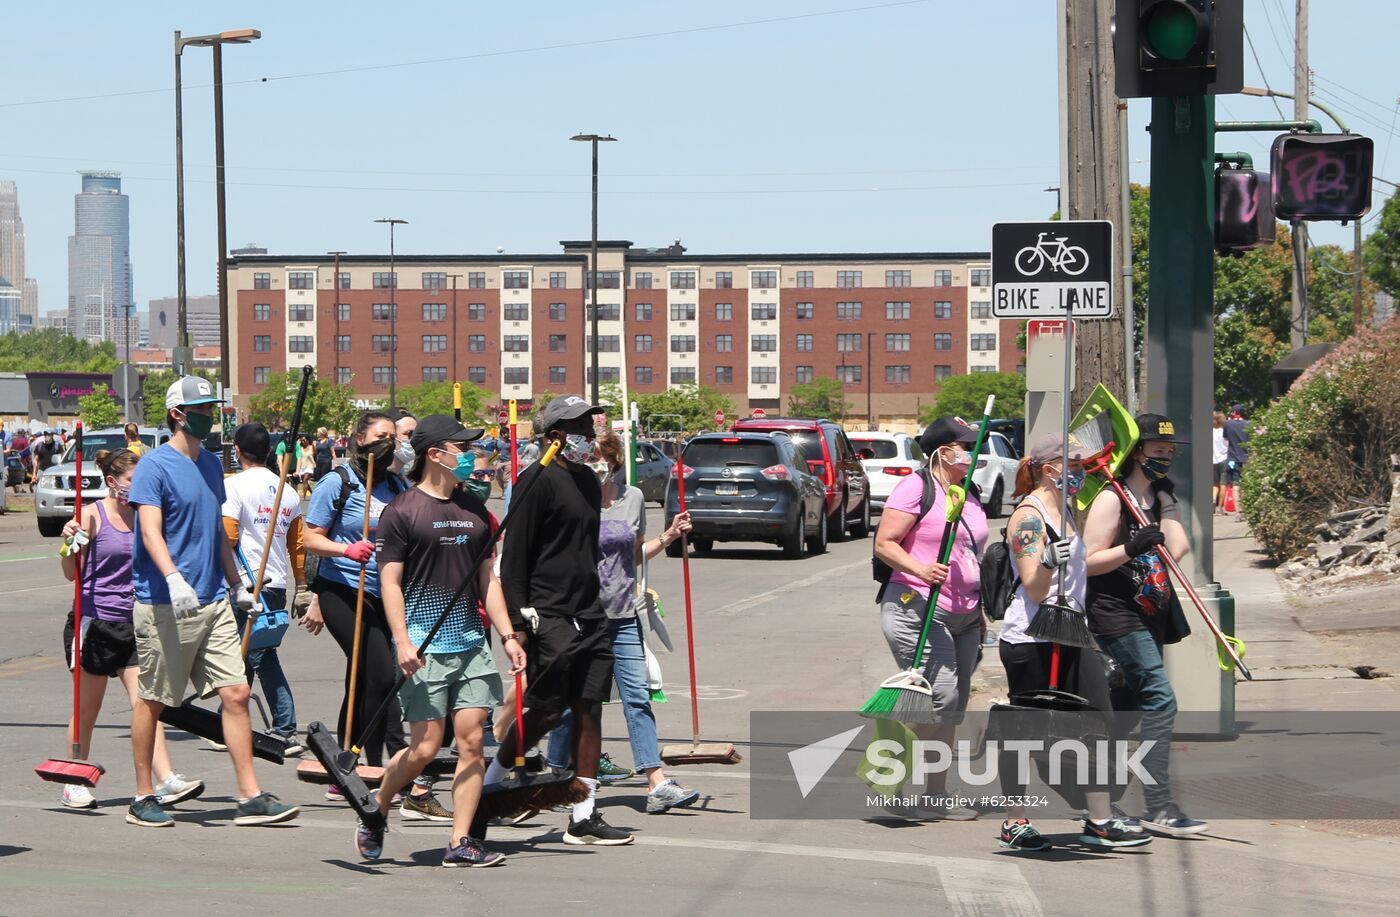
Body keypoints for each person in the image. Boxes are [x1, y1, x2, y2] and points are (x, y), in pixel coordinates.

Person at [125, 376, 298, 828]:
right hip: (166, 603)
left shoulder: (210, 466)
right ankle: (143, 795)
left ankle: (250, 795)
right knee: (154, 699)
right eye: (201, 407)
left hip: (214, 600)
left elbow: (220, 534)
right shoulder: (154, 467)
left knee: (237, 693)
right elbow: (149, 531)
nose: (211, 414)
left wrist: (236, 583)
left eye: (213, 406)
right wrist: (173, 578)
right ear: (177, 414)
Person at [354, 415, 527, 866]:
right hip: (424, 648)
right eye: (461, 447)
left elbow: (488, 580)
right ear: (436, 454)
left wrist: (507, 635)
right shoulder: (402, 512)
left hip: (471, 644)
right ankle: (378, 807)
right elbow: (389, 583)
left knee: (471, 742)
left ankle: (460, 841)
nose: (470, 456)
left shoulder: (475, 509)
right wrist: (403, 641)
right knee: (425, 749)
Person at [994, 432, 1149, 852]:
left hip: (1071, 630)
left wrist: (1130, 549)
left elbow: (1083, 569)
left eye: (1083, 465)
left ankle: (1099, 819)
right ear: (1049, 469)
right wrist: (1046, 558)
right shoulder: (1028, 517)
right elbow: (1033, 587)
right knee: (1025, 730)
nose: (1081, 473)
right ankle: (1014, 821)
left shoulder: (1066, 508)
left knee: (1099, 720)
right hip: (1032, 636)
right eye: (1075, 465)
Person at [492, 394, 634, 846]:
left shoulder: (590, 482)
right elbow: (514, 559)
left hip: (590, 611)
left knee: (590, 709)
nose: (590, 436)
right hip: (546, 613)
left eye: (590, 427)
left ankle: (584, 813)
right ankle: (493, 781)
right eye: (579, 429)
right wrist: (516, 623)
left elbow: (583, 548)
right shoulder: (535, 481)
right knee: (549, 710)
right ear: (556, 436)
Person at [544, 430, 700, 814]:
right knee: (572, 702)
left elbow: (634, 553)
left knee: (638, 697)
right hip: (580, 616)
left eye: (603, 461)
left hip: (623, 613)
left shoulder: (632, 499)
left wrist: (668, 535)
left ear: (614, 463)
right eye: (590, 461)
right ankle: (555, 776)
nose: (597, 468)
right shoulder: (572, 499)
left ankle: (655, 781)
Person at [56, 447, 202, 810]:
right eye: (132, 482)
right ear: (112, 482)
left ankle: (165, 778)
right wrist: (69, 541)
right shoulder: (90, 517)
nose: (139, 488)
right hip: (95, 624)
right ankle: (74, 777)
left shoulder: (143, 516)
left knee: (146, 704)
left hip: (135, 621)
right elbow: (69, 572)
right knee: (87, 709)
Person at [1084, 413, 1206, 837]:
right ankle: (1160, 806)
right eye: (1158, 450)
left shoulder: (1157, 496)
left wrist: (1166, 500)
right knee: (1160, 699)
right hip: (1116, 616)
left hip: (1152, 613)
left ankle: (1098, 797)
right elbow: (1087, 562)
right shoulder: (1111, 499)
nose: (1166, 457)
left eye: (1171, 451)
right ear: (1136, 451)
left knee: (1124, 714)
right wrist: (1130, 547)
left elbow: (1180, 547)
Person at [304, 411, 428, 808]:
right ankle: (365, 761)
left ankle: (341, 760)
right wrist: (346, 548)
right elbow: (308, 538)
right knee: (376, 672)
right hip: (342, 587)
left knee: (363, 678)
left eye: (392, 436)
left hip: (381, 592)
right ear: (360, 439)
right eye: (380, 436)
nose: (387, 442)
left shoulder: (394, 484)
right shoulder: (338, 483)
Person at [870, 417, 987, 821]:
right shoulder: (915, 487)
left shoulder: (968, 490)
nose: (972, 452)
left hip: (966, 613)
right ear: (943, 450)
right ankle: (886, 770)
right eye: (965, 445)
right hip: (916, 605)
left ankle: (933, 796)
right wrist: (920, 569)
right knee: (943, 695)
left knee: (952, 708)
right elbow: (884, 543)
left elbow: (971, 553)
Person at [222, 423, 308, 755]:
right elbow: (297, 546)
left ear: (238, 451)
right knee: (243, 652)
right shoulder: (286, 490)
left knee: (259, 654)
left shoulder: (234, 486)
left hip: (246, 582)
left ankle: (286, 727)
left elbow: (227, 537)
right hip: (276, 583)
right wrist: (302, 586)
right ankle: (227, 718)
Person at [1222, 404, 1249, 514]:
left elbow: (1225, 438)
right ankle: (1247, 508)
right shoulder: (1248, 424)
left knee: (1235, 485)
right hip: (1246, 459)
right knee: (1246, 484)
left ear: (1235, 413)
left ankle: (1238, 512)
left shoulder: (1228, 424)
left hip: (1232, 459)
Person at [1211, 412, 1228, 513]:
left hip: (1213, 460)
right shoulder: (1224, 432)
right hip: (1224, 459)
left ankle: (1213, 499)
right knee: (1223, 484)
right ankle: (1220, 507)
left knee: (1214, 484)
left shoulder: (1211, 432)